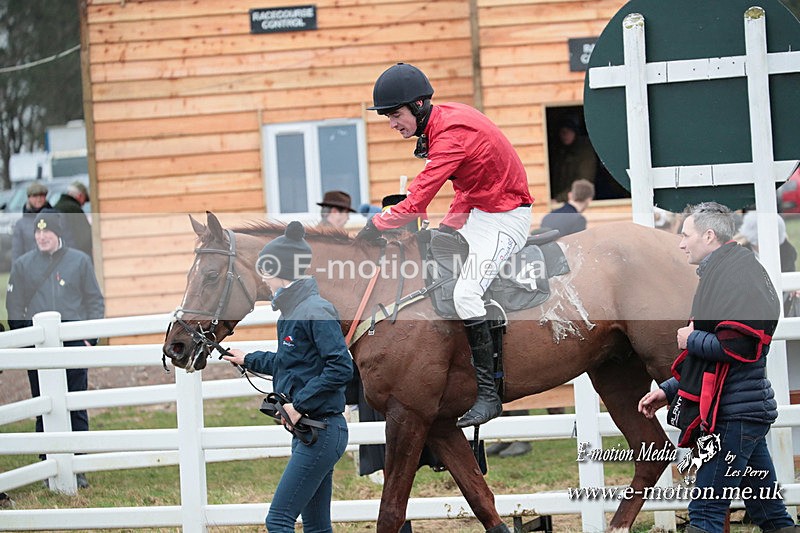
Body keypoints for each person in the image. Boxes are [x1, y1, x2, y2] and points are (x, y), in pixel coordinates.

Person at [357, 62, 533, 428]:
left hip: (505, 218)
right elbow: (466, 188)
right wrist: (447, 229)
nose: (392, 124)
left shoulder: (450, 133)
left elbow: (417, 202)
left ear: (418, 106)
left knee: (467, 295)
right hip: (480, 213)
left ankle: (488, 393)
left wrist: (374, 225)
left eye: (395, 115)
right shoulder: (442, 121)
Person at [637, 202, 796, 533]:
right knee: (769, 514)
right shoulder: (727, 271)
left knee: (706, 510)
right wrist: (668, 391)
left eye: (686, 235)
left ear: (708, 235)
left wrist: (690, 339)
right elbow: (712, 363)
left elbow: (740, 347)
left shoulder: (738, 275)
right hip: (741, 411)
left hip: (733, 416)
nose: (681, 243)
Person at [222, 221, 353, 532]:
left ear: (282, 273)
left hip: (320, 429)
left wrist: (299, 405)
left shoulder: (313, 311)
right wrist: (248, 359)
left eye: (266, 274)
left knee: (278, 521)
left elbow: (341, 368)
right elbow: (291, 363)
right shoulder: (293, 312)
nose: (264, 281)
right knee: (317, 526)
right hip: (310, 430)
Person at [5, 210, 105, 490]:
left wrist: (89, 339)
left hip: (72, 346)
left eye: (46, 231)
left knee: (75, 405)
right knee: (44, 406)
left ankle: (78, 464)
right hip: (38, 349)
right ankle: (48, 464)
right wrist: (26, 341)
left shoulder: (80, 262)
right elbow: (14, 307)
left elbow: (94, 302)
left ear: (58, 233)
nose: (41, 236)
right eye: (37, 232)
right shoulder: (23, 266)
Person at [548, 117, 597, 202]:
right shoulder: (560, 152)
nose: (565, 134)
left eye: (569, 130)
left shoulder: (585, 151)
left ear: (575, 132)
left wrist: (558, 199)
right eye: (562, 131)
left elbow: (584, 181)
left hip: (581, 201)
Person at [11, 182, 53, 261]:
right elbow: (17, 252)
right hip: (31, 266)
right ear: (29, 198)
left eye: (41, 195)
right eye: (35, 196)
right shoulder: (21, 224)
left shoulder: (56, 218)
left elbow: (67, 241)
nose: (39, 199)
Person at [53, 180, 92, 258]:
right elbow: (85, 237)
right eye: (84, 200)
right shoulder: (75, 210)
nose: (83, 204)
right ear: (80, 196)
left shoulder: (56, 207)